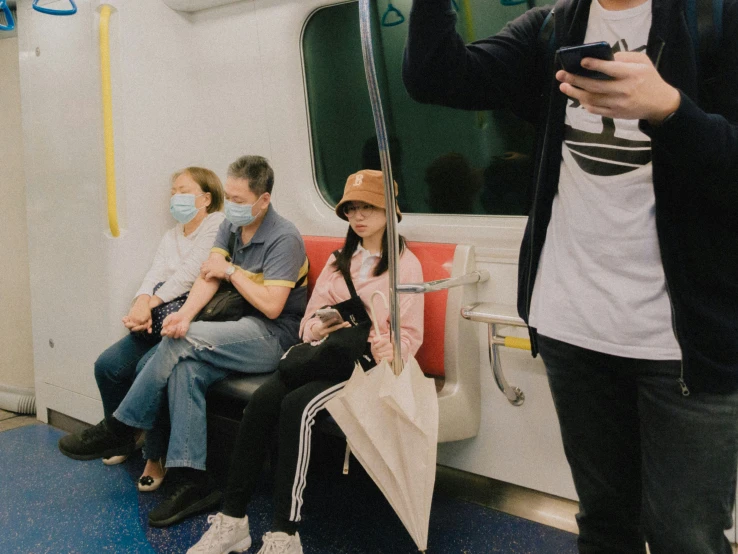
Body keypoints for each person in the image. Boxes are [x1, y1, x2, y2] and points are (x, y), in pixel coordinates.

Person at [403, 1, 738, 553]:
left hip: (682, 339)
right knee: (605, 526)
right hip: (572, 324)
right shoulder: (551, 25)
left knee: (686, 536)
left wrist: (672, 109)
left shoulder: (716, 19)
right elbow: (438, 76)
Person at [58, 155, 309, 527]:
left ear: (264, 200)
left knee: (178, 344)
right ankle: (193, 480)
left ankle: (122, 428)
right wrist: (184, 316)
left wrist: (232, 272)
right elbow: (207, 278)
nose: (233, 206)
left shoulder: (283, 238)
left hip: (271, 337)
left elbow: (272, 307)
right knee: (185, 370)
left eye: (241, 200)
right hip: (233, 328)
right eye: (230, 196)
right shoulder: (229, 228)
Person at [185, 169, 424, 554]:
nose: (359, 217)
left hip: (361, 367)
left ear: (389, 213)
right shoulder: (336, 262)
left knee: (297, 407)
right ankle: (233, 521)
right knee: (262, 401)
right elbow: (308, 322)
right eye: (353, 209)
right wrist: (319, 328)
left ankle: (285, 532)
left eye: (370, 208)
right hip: (323, 355)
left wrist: (388, 347)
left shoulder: (404, 267)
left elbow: (410, 335)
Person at [58, 166, 225, 489]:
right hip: (157, 313)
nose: (175, 197)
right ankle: (121, 439)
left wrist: (151, 302)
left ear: (206, 198)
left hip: (188, 320)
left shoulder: (216, 225)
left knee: (149, 370)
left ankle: (154, 454)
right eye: (173, 191)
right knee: (107, 366)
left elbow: (191, 273)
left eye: (184, 190)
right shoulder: (173, 234)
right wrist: (141, 301)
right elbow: (155, 272)